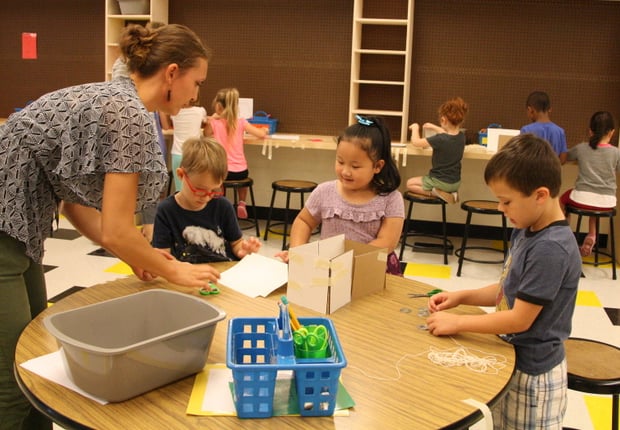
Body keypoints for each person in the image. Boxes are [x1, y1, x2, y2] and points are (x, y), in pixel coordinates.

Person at [0, 23, 219, 429]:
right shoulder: (128, 113)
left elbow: (72, 203)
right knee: (10, 383)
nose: (196, 95)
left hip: (18, 231)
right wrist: (172, 268)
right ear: (172, 73)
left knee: (29, 357)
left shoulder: (117, 98)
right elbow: (117, 231)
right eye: (196, 82)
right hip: (5, 231)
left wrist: (137, 256)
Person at [427, 134, 582, 429]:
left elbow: (519, 319)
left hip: (534, 375)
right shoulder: (526, 226)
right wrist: (462, 297)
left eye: (506, 201)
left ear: (539, 195)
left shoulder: (551, 248)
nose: (501, 209)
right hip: (511, 360)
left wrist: (458, 323)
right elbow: (507, 291)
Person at [276, 115, 404, 274]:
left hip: (371, 269)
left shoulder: (391, 198)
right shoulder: (324, 191)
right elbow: (304, 221)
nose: (345, 171)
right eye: (340, 162)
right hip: (329, 268)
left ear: (377, 166)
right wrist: (297, 250)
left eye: (355, 166)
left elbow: (387, 241)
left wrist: (348, 260)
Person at [152, 136, 261, 263]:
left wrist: (243, 250)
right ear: (181, 175)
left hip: (222, 274)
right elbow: (163, 257)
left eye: (214, 190)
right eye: (200, 190)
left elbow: (236, 243)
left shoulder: (223, 206)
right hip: (185, 277)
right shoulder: (166, 210)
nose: (207, 197)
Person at [560, 111, 620, 256]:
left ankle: (564, 232)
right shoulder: (616, 152)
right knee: (596, 206)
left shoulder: (582, 148)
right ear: (612, 132)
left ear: (590, 131)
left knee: (562, 199)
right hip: (607, 202)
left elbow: (565, 157)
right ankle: (592, 234)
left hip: (582, 198)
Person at [204, 88, 268, 219]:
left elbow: (206, 134)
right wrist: (265, 131)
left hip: (222, 171)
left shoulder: (214, 123)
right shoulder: (241, 122)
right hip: (240, 171)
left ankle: (220, 201)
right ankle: (242, 203)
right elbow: (260, 134)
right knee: (242, 179)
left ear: (219, 106)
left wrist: (213, 117)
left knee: (218, 179)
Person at [406, 97, 468, 204]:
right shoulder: (461, 137)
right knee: (416, 182)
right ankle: (449, 193)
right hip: (455, 183)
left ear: (443, 120)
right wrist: (433, 127)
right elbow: (446, 133)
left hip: (440, 182)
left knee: (410, 183)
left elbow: (416, 142)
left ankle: (436, 193)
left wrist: (415, 128)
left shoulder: (439, 139)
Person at [166, 103, 208, 192]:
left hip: (177, 153)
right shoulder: (200, 111)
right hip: (194, 154)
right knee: (195, 189)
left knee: (180, 189)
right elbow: (205, 123)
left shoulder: (174, 112)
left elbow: (166, 125)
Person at [521, 91, 568, 164]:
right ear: (550, 109)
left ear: (530, 110)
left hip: (531, 173)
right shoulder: (560, 131)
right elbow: (563, 159)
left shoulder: (526, 130)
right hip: (552, 173)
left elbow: (522, 156)